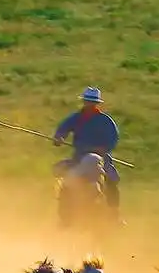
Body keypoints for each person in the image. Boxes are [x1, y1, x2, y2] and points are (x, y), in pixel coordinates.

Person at [53, 87, 124, 223]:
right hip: (79, 158)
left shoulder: (105, 121)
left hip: (102, 159)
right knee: (65, 180)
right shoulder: (76, 118)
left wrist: (103, 149)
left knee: (112, 181)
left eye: (92, 102)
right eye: (87, 101)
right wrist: (59, 137)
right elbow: (63, 129)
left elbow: (113, 139)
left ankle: (115, 213)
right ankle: (64, 215)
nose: (89, 104)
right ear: (84, 102)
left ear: (97, 104)